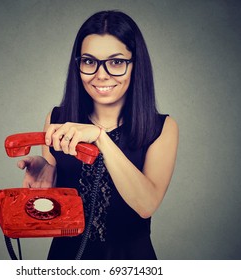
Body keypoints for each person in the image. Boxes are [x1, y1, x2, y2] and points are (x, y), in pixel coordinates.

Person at [17, 10, 179, 260]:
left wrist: (100, 138)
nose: (101, 75)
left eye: (116, 62)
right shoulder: (57, 119)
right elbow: (56, 205)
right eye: (89, 61)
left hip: (130, 261)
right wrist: (48, 172)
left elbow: (146, 205)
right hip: (66, 259)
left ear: (135, 64)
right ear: (78, 64)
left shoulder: (162, 128)